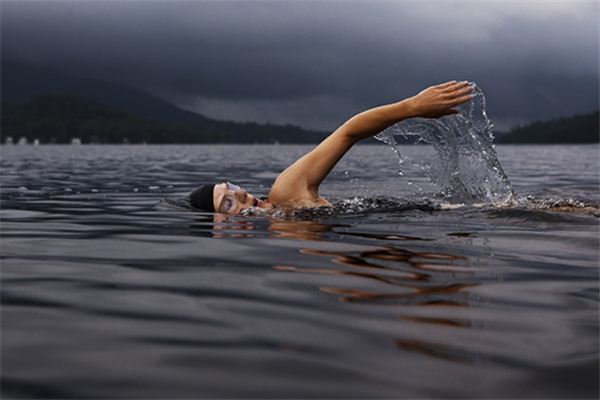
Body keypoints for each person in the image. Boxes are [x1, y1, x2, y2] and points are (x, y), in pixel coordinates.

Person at [190, 80, 474, 215]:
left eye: (232, 186)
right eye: (227, 202)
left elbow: (348, 133)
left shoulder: (286, 193)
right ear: (221, 227)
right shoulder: (283, 233)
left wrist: (412, 107)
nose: (240, 193)